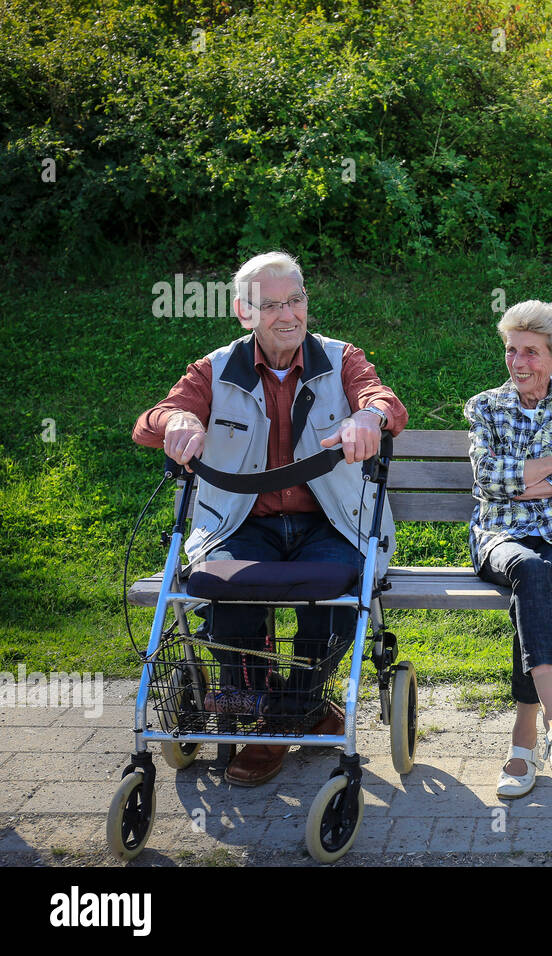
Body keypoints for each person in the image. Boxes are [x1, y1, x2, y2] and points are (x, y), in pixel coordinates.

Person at [132, 250, 407, 786]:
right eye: (271, 304)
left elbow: (384, 402)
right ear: (244, 313)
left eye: (297, 300)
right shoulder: (214, 368)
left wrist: (368, 418)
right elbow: (150, 421)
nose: (288, 314)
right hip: (241, 523)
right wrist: (179, 418)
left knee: (331, 599)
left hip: (331, 521)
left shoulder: (341, 358)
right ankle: (295, 708)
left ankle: (277, 720)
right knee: (226, 597)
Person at [465, 300, 552, 799]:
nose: (519, 363)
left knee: (533, 581)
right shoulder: (485, 406)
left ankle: (522, 745)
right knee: (527, 568)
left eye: (531, 352)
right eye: (511, 351)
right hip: (497, 538)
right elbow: (486, 477)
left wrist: (520, 481)